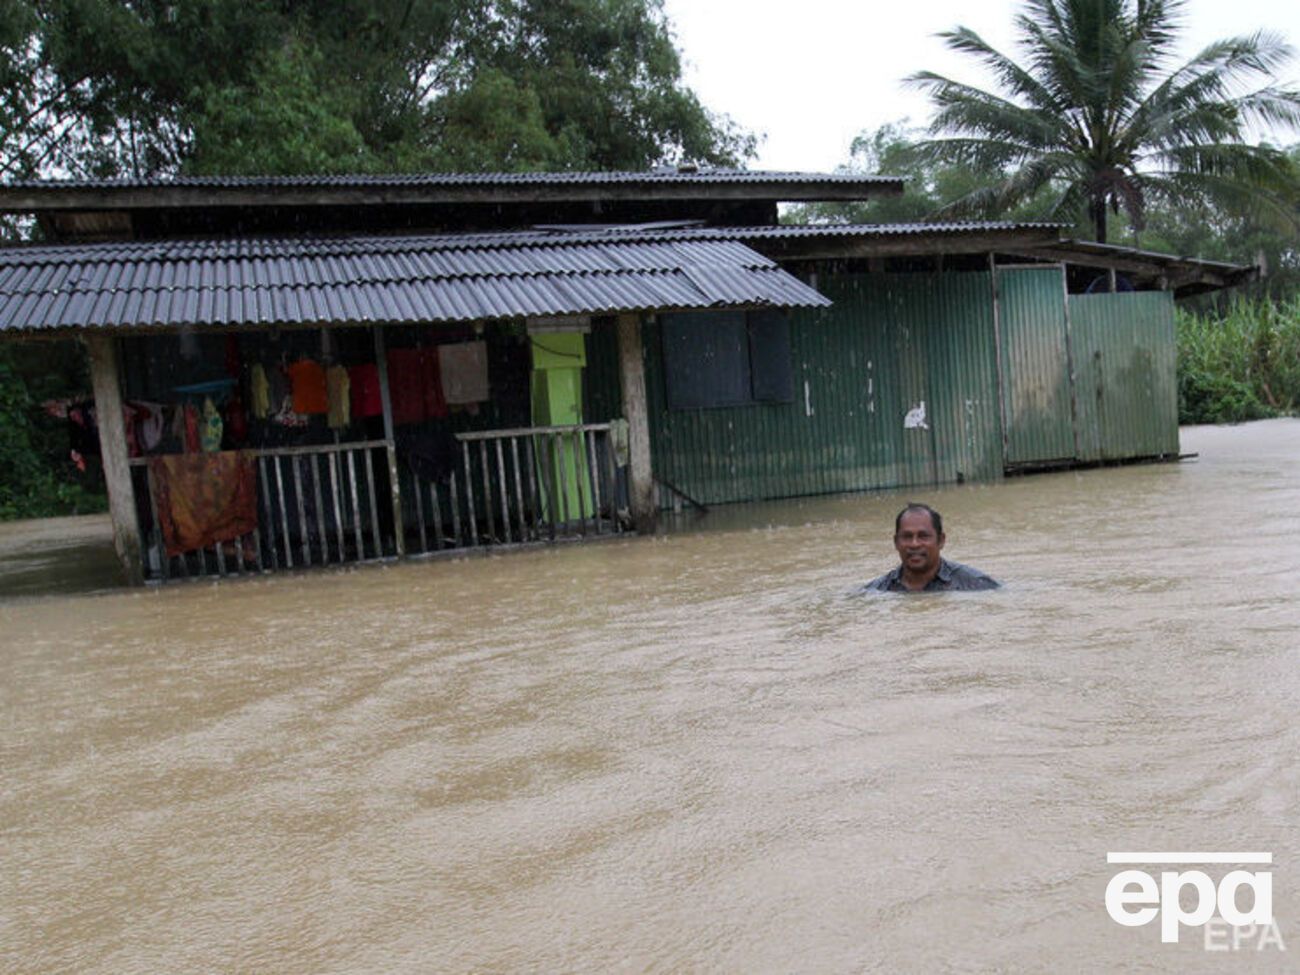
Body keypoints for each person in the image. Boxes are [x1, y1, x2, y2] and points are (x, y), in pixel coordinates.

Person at [860, 502, 1000, 593]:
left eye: (923, 536)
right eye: (907, 537)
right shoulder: (878, 591)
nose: (914, 544)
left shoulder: (976, 585)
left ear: (941, 541)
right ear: (896, 542)